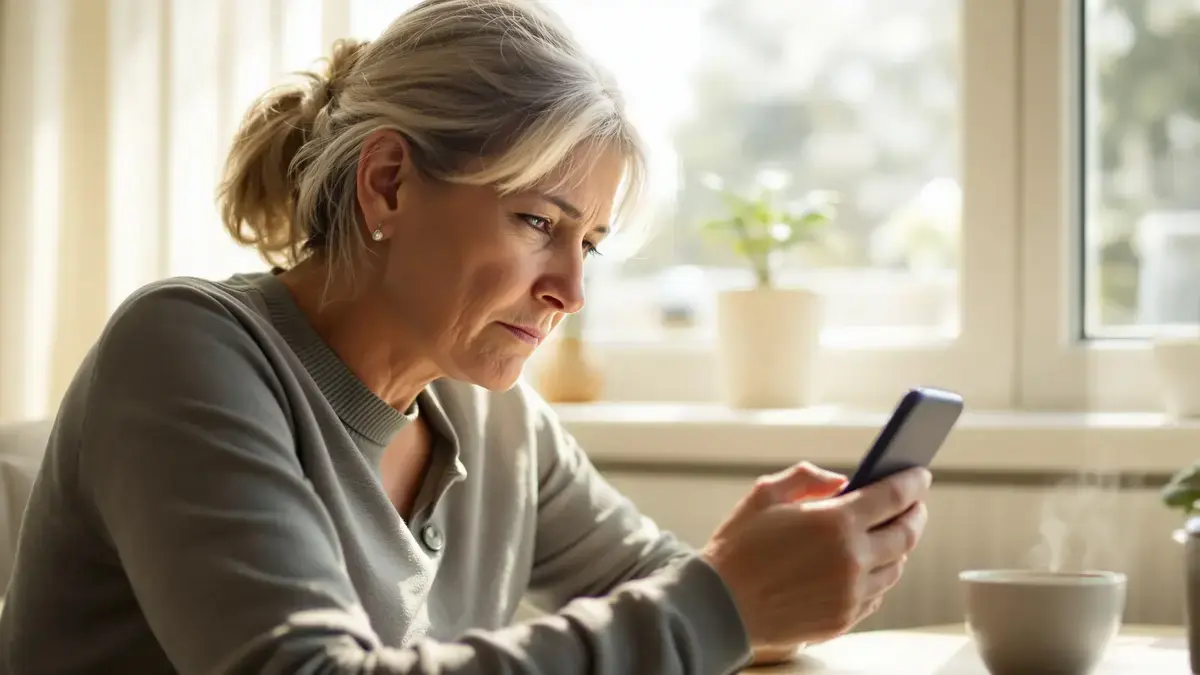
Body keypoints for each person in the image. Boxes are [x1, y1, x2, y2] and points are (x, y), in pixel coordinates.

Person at [0, 1, 931, 673]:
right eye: (537, 222)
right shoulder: (183, 353)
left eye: (590, 243)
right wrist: (721, 601)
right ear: (390, 184)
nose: (570, 289)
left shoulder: (489, 419)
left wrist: (777, 571)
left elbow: (662, 589)